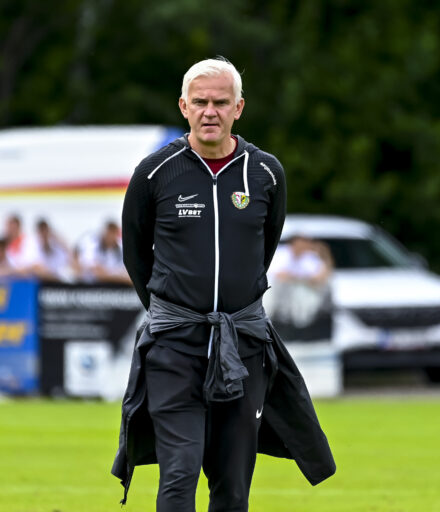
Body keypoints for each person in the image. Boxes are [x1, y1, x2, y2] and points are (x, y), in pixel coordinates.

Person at [113, 58, 335, 511]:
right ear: (183, 106)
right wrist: (172, 311)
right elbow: (135, 254)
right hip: (174, 347)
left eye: (220, 102)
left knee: (232, 486)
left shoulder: (266, 174)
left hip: (243, 347)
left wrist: (234, 304)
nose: (209, 111)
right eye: (200, 102)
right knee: (180, 474)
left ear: (239, 108)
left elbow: (264, 251)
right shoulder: (155, 173)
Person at [266, 235, 332, 330]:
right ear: (294, 243)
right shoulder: (279, 253)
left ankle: (300, 323)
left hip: (300, 292)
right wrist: (300, 278)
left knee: (303, 291)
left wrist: (325, 254)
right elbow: (277, 275)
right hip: (277, 291)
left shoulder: (309, 257)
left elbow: (320, 278)